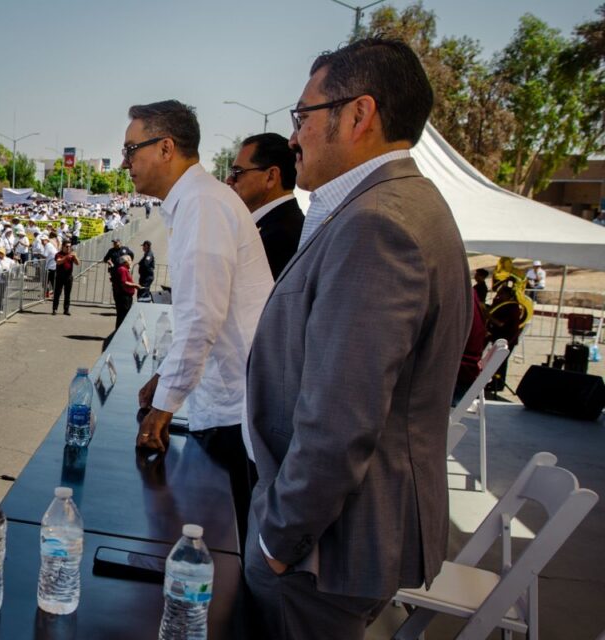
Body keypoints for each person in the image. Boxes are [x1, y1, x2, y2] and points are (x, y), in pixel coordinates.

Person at [242, 39, 470, 637]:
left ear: (358, 114)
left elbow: (340, 419)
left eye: (303, 116)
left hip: (323, 551)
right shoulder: (394, 206)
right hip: (333, 541)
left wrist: (279, 537)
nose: (294, 137)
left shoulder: (376, 224)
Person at [123, 100, 273, 557]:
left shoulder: (203, 205)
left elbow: (200, 318)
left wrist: (163, 407)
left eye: (132, 149)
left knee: (222, 552)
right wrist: (165, 378)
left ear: (166, 147)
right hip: (227, 399)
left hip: (236, 408)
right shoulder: (196, 202)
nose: (126, 161)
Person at [226, 133, 304, 280]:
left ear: (271, 177)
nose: (229, 180)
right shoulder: (280, 225)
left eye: (237, 172)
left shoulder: (280, 236)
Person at [484, 275, 529, 398]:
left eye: (501, 294)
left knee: (501, 362)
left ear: (508, 296)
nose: (499, 296)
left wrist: (487, 315)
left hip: (507, 338)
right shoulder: (501, 304)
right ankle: (493, 381)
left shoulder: (512, 307)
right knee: (494, 360)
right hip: (498, 337)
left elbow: (500, 323)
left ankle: (498, 384)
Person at [51, 240, 79, 315]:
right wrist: (66, 257)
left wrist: (75, 257)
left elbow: (77, 263)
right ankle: (55, 309)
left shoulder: (71, 254)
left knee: (67, 294)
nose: (68, 248)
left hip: (68, 277)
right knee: (57, 294)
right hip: (60, 277)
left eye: (70, 246)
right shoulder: (58, 254)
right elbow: (58, 262)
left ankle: (66, 310)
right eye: (67, 246)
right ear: (63, 246)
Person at [111, 255, 138, 328]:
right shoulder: (122, 269)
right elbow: (124, 282)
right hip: (123, 296)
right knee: (122, 315)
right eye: (129, 261)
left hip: (125, 296)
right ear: (124, 262)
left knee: (123, 315)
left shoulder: (124, 269)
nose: (130, 262)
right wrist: (135, 285)